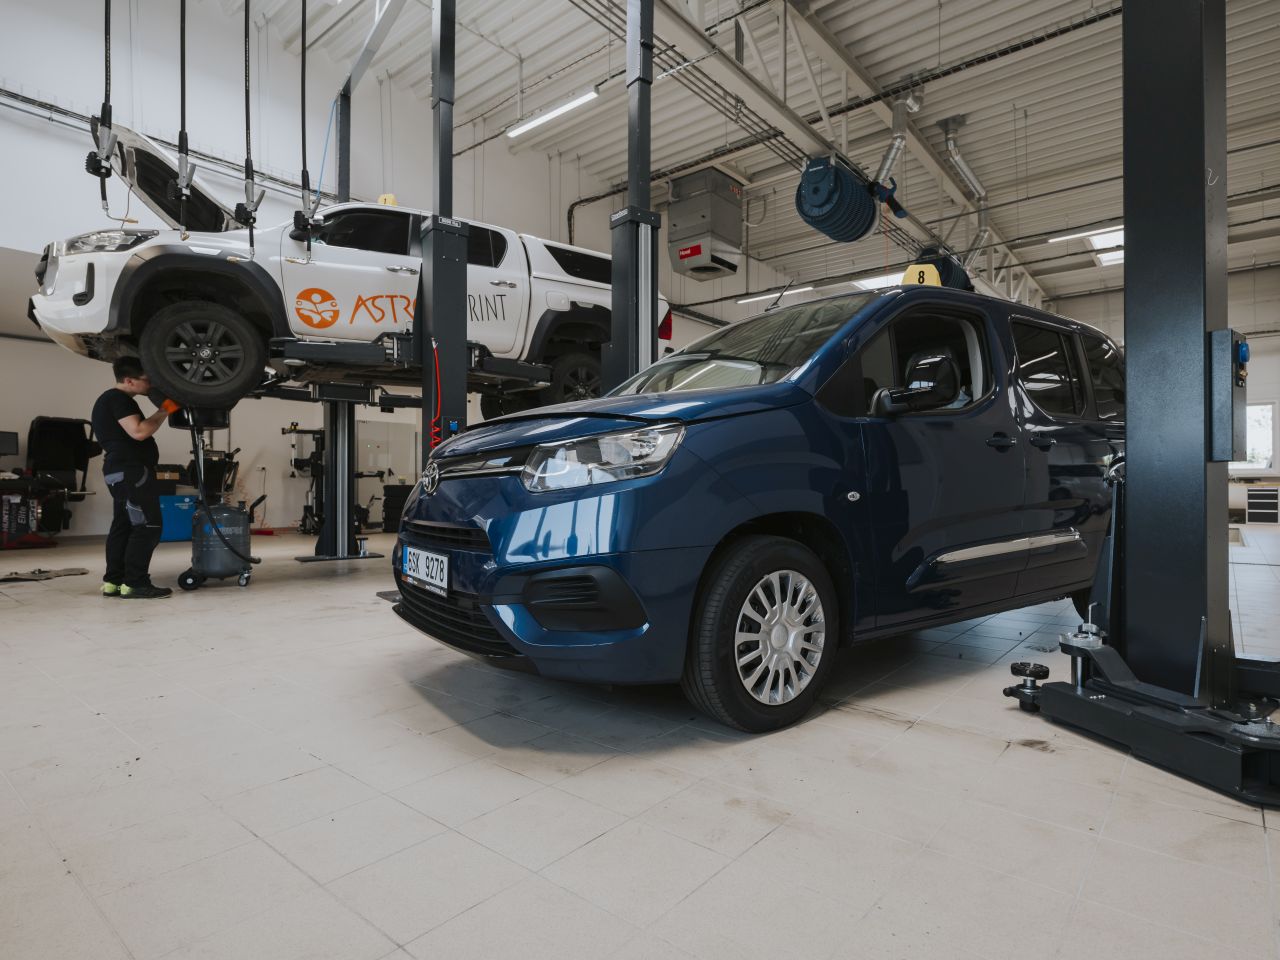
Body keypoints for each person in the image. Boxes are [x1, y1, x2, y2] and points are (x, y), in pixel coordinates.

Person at [90, 358, 180, 599]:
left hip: (119, 472)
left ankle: (114, 582)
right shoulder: (118, 399)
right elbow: (139, 431)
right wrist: (165, 409)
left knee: (124, 526)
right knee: (147, 525)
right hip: (131, 471)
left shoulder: (109, 400)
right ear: (129, 380)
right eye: (146, 380)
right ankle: (136, 584)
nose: (150, 385)